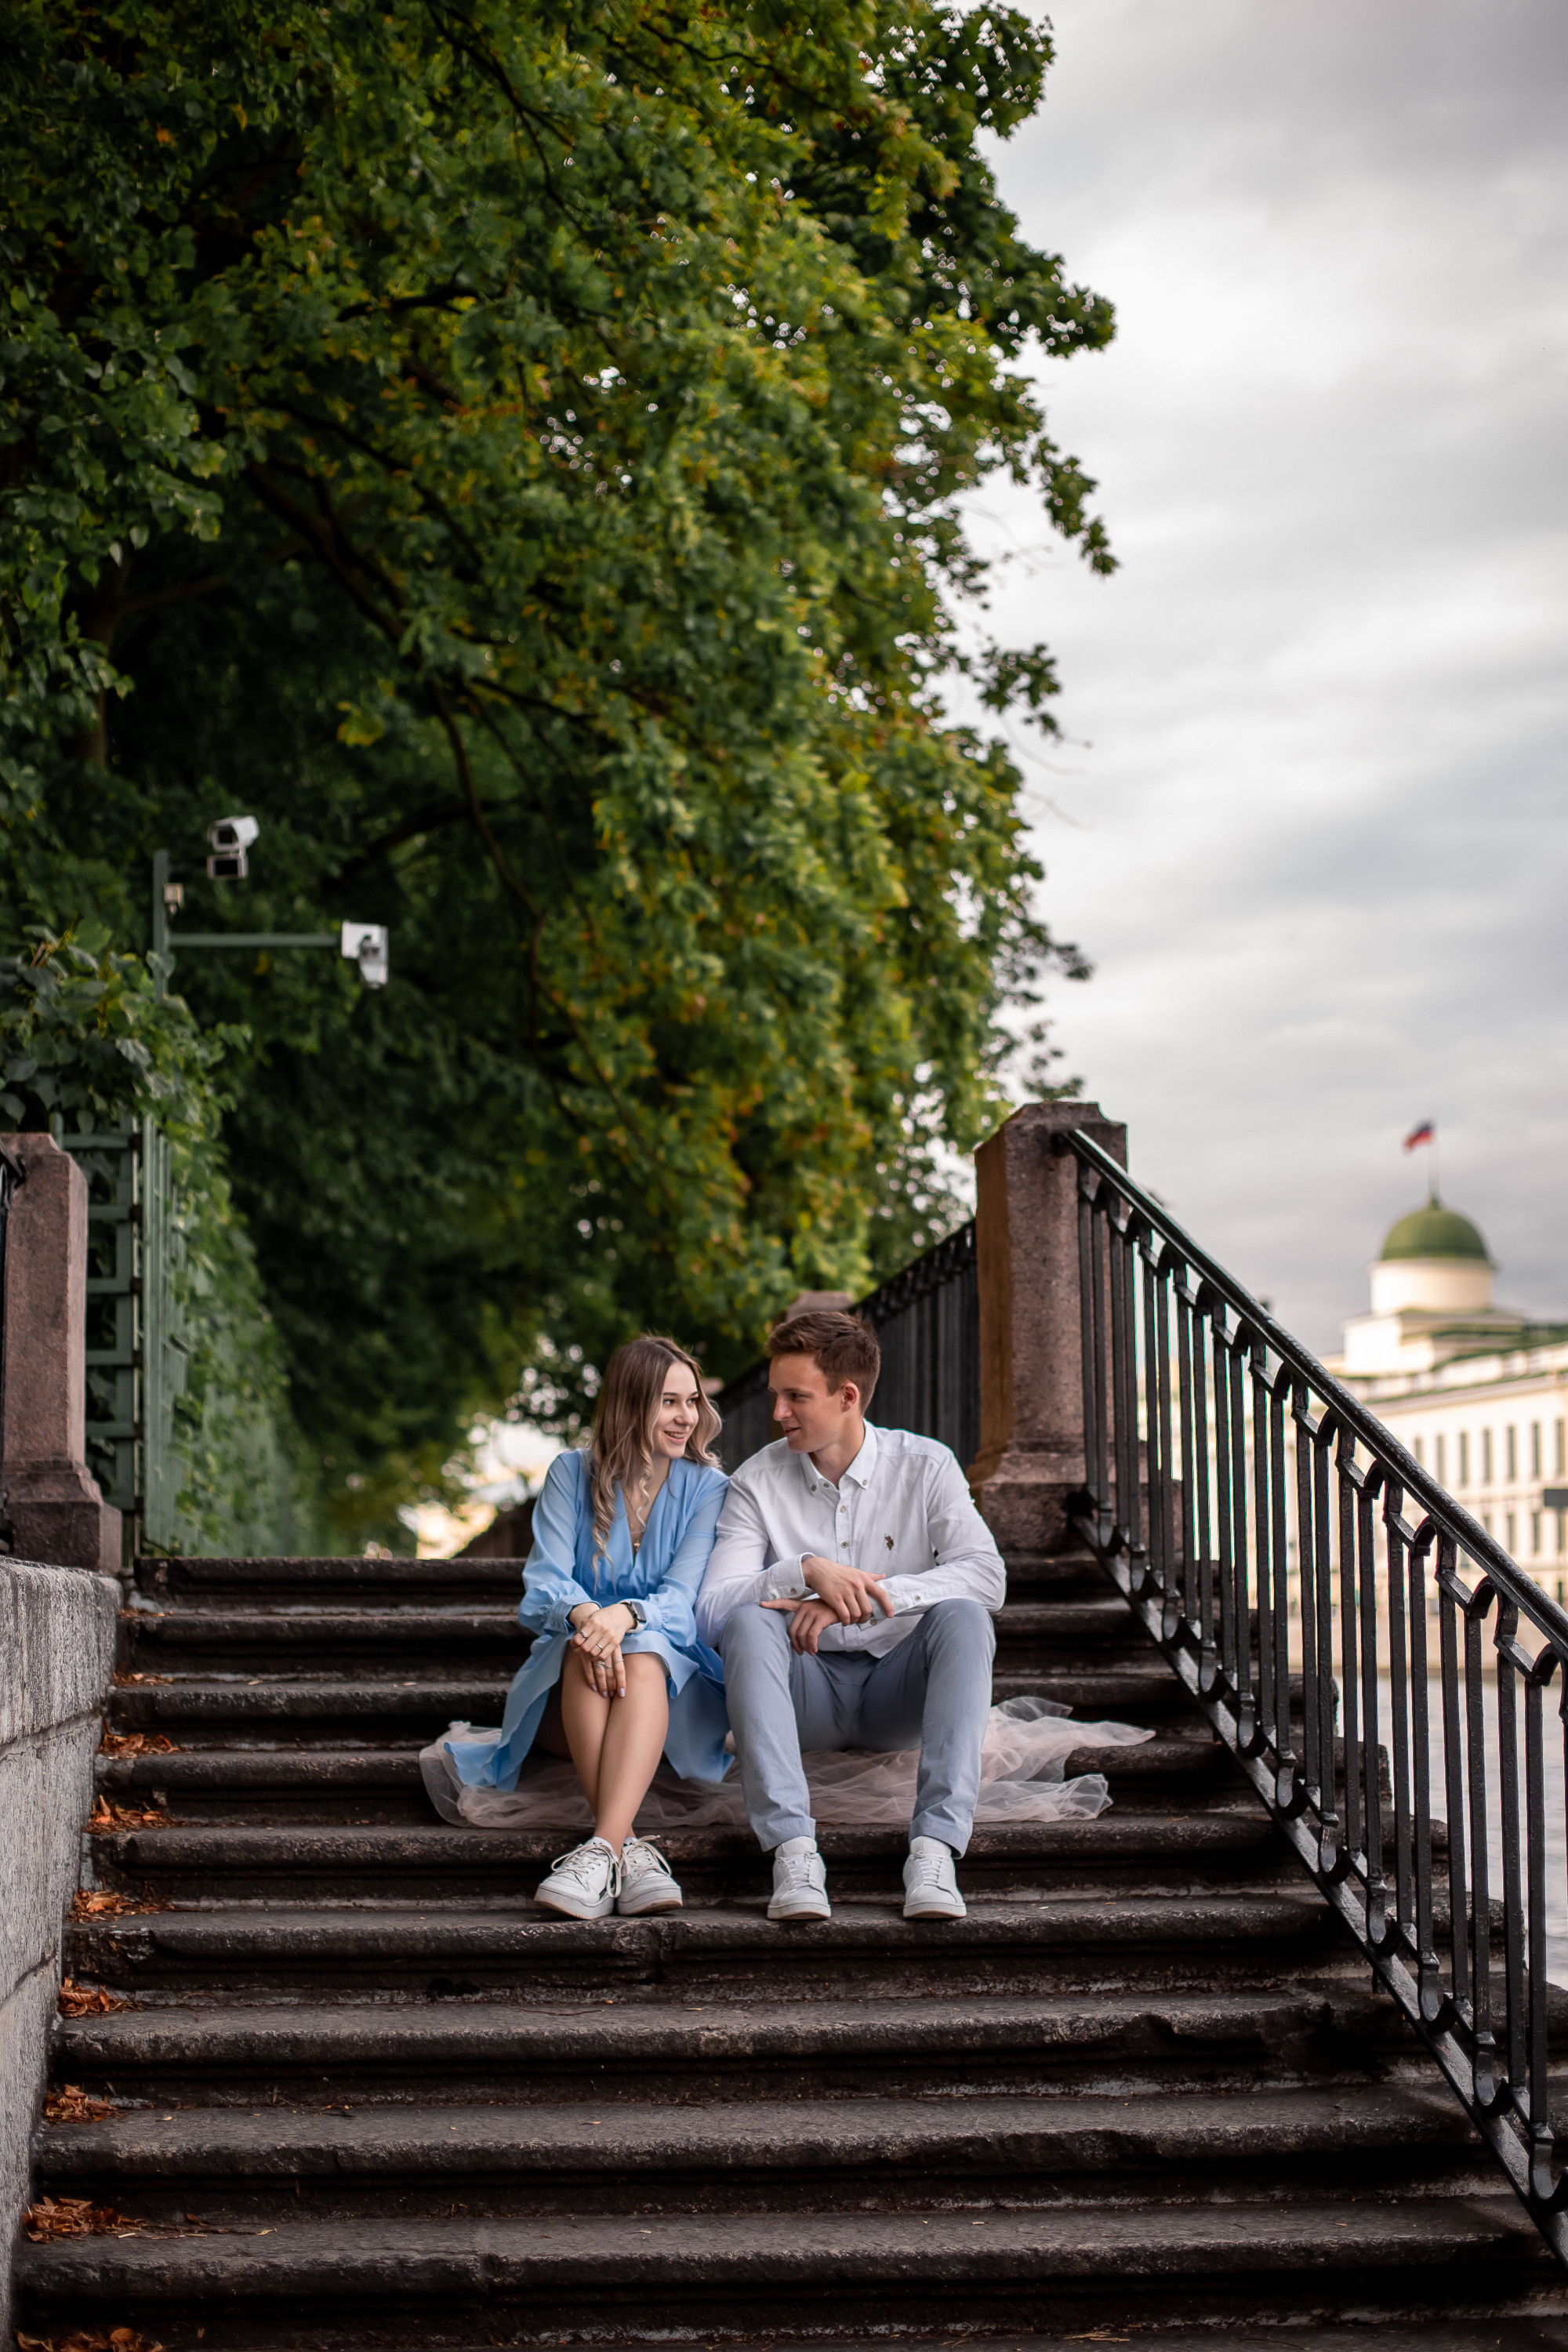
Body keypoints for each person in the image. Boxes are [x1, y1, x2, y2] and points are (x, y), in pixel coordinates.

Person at [695, 1308, 1004, 1925]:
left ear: (848, 1396)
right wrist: (805, 1571)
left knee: (968, 1618)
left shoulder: (927, 1464)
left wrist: (861, 1598)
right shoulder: (756, 1480)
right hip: (804, 1692)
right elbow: (710, 1610)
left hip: (898, 1692)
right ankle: (793, 1853)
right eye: (776, 1394)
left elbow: (986, 1574)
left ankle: (935, 1852)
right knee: (748, 1622)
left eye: (796, 1397)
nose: (777, 1412)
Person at [447, 1336, 731, 1921]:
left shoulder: (708, 1488)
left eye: (693, 1401)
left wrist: (624, 1616)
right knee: (587, 1647)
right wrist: (588, 1618)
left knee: (643, 1650)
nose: (687, 1417)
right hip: (572, 1686)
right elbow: (544, 1584)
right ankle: (627, 1851)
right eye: (669, 1402)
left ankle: (600, 1851)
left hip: (670, 1696)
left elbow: (684, 1601)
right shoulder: (571, 1473)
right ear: (630, 1404)